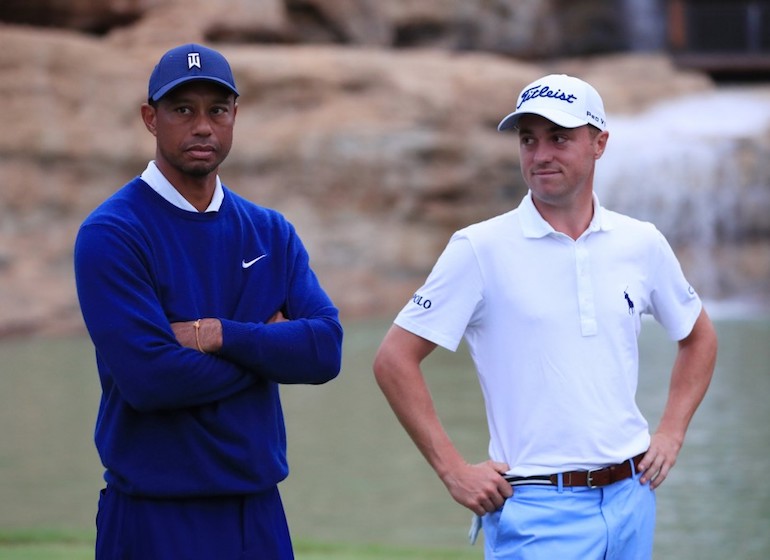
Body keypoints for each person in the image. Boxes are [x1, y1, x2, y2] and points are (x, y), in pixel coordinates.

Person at [372, 74, 717, 559]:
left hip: (632, 497)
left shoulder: (641, 242)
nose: (540, 155)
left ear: (599, 144)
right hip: (535, 508)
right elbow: (394, 359)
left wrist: (672, 431)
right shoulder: (479, 248)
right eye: (528, 140)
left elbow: (699, 337)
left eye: (559, 138)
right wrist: (452, 470)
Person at [74, 43, 343, 560]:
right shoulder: (112, 233)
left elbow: (325, 350)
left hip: (258, 512)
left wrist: (220, 334)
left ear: (234, 116)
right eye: (183, 110)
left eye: (217, 110)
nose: (202, 126)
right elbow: (151, 379)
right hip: (154, 514)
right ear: (151, 119)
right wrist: (270, 350)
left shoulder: (270, 231)